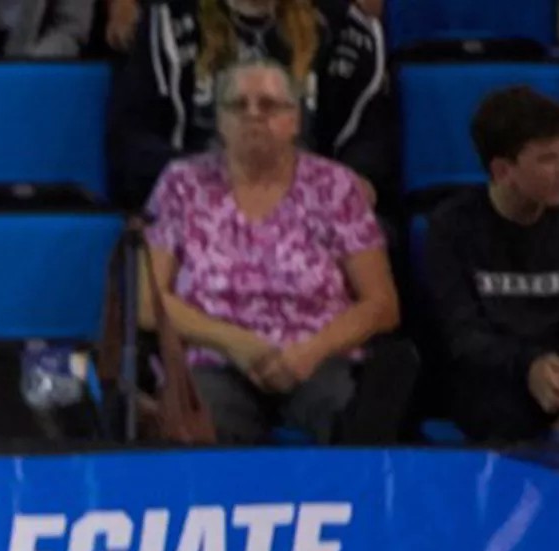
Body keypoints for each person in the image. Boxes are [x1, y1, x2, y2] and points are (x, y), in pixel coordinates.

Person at [145, 58, 409, 446]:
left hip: (319, 355)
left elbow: (381, 304)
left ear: (295, 120)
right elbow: (149, 303)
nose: (254, 115)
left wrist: (309, 353)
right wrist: (235, 342)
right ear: (219, 120)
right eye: (238, 105)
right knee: (198, 424)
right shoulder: (182, 184)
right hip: (214, 357)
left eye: (269, 105)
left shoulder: (335, 186)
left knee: (348, 416)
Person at [109, 0, 395, 209]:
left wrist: (355, 180)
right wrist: (209, 181)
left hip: (311, 208)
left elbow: (369, 138)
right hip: (200, 204)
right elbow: (134, 139)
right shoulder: (166, 24)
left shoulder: (341, 28)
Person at [422, 86, 559, 444]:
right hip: (494, 381)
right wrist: (529, 366)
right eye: (548, 159)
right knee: (503, 413)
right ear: (503, 170)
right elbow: (463, 334)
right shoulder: (452, 228)